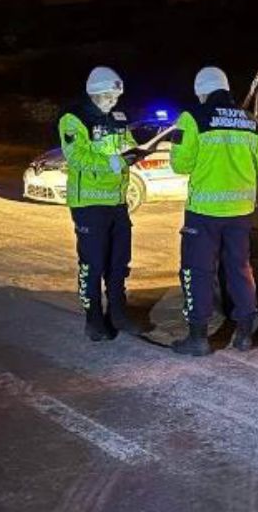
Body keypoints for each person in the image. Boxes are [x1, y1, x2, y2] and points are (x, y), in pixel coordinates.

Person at [169, 66, 258, 356]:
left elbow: (180, 165)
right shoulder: (251, 122)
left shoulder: (193, 118)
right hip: (240, 211)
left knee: (198, 271)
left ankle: (198, 338)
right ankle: (244, 335)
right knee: (240, 268)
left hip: (204, 212)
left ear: (201, 91)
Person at [57, 66, 150, 341]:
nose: (113, 101)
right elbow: (77, 158)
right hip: (88, 202)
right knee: (93, 264)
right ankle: (94, 320)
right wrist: (116, 161)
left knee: (119, 261)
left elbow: (129, 142)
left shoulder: (119, 117)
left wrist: (138, 151)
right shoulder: (73, 118)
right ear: (94, 93)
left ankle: (118, 314)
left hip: (117, 200)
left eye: (117, 96)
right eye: (109, 96)